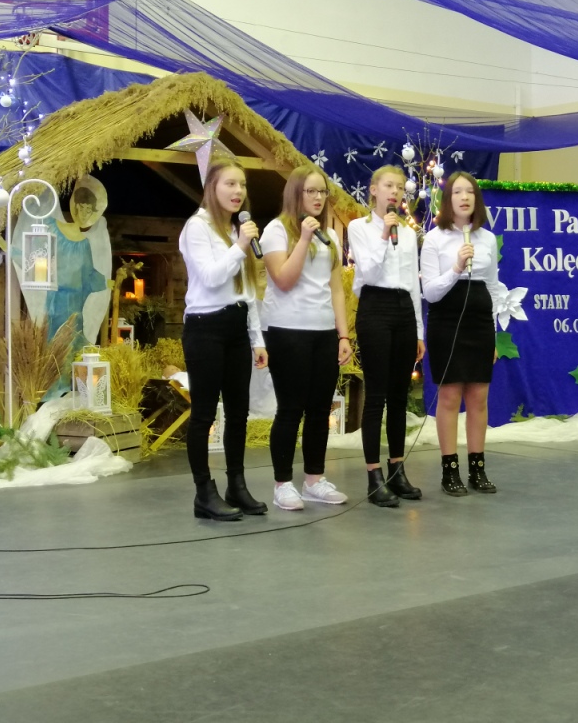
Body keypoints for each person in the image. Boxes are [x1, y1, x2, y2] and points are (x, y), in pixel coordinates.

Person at [178, 159, 269, 521]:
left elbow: (246, 291)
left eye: (242, 184)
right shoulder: (197, 227)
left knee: (239, 413)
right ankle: (204, 492)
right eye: (230, 184)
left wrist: (257, 338)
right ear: (212, 188)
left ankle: (237, 485)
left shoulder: (236, 230)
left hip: (236, 326)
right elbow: (212, 277)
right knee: (204, 413)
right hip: (205, 327)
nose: (238, 191)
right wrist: (241, 245)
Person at [260, 165, 353, 510]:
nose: (317, 198)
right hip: (287, 330)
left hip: (323, 331)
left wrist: (343, 335)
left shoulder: (330, 236)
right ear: (295, 194)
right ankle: (282, 484)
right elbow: (283, 279)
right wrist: (302, 239)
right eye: (310, 191)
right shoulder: (276, 231)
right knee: (290, 409)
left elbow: (336, 290)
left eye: (322, 191)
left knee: (319, 409)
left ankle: (314, 479)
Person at [346, 165, 426, 507]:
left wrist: (419, 330)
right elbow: (368, 270)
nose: (395, 192)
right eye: (389, 186)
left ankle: (397, 469)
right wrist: (383, 234)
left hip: (403, 308)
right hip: (375, 306)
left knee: (398, 396)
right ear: (374, 190)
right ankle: (373, 475)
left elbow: (412, 282)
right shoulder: (359, 227)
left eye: (400, 188)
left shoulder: (407, 233)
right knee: (376, 395)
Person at [419, 172, 499, 496]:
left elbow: (492, 286)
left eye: (470, 192)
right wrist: (455, 267)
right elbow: (430, 292)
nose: (464, 197)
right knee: (450, 396)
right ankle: (449, 469)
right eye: (457, 192)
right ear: (447, 199)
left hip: (480, 323)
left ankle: (477, 468)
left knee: (478, 397)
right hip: (446, 321)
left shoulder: (488, 239)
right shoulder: (434, 238)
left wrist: (494, 334)